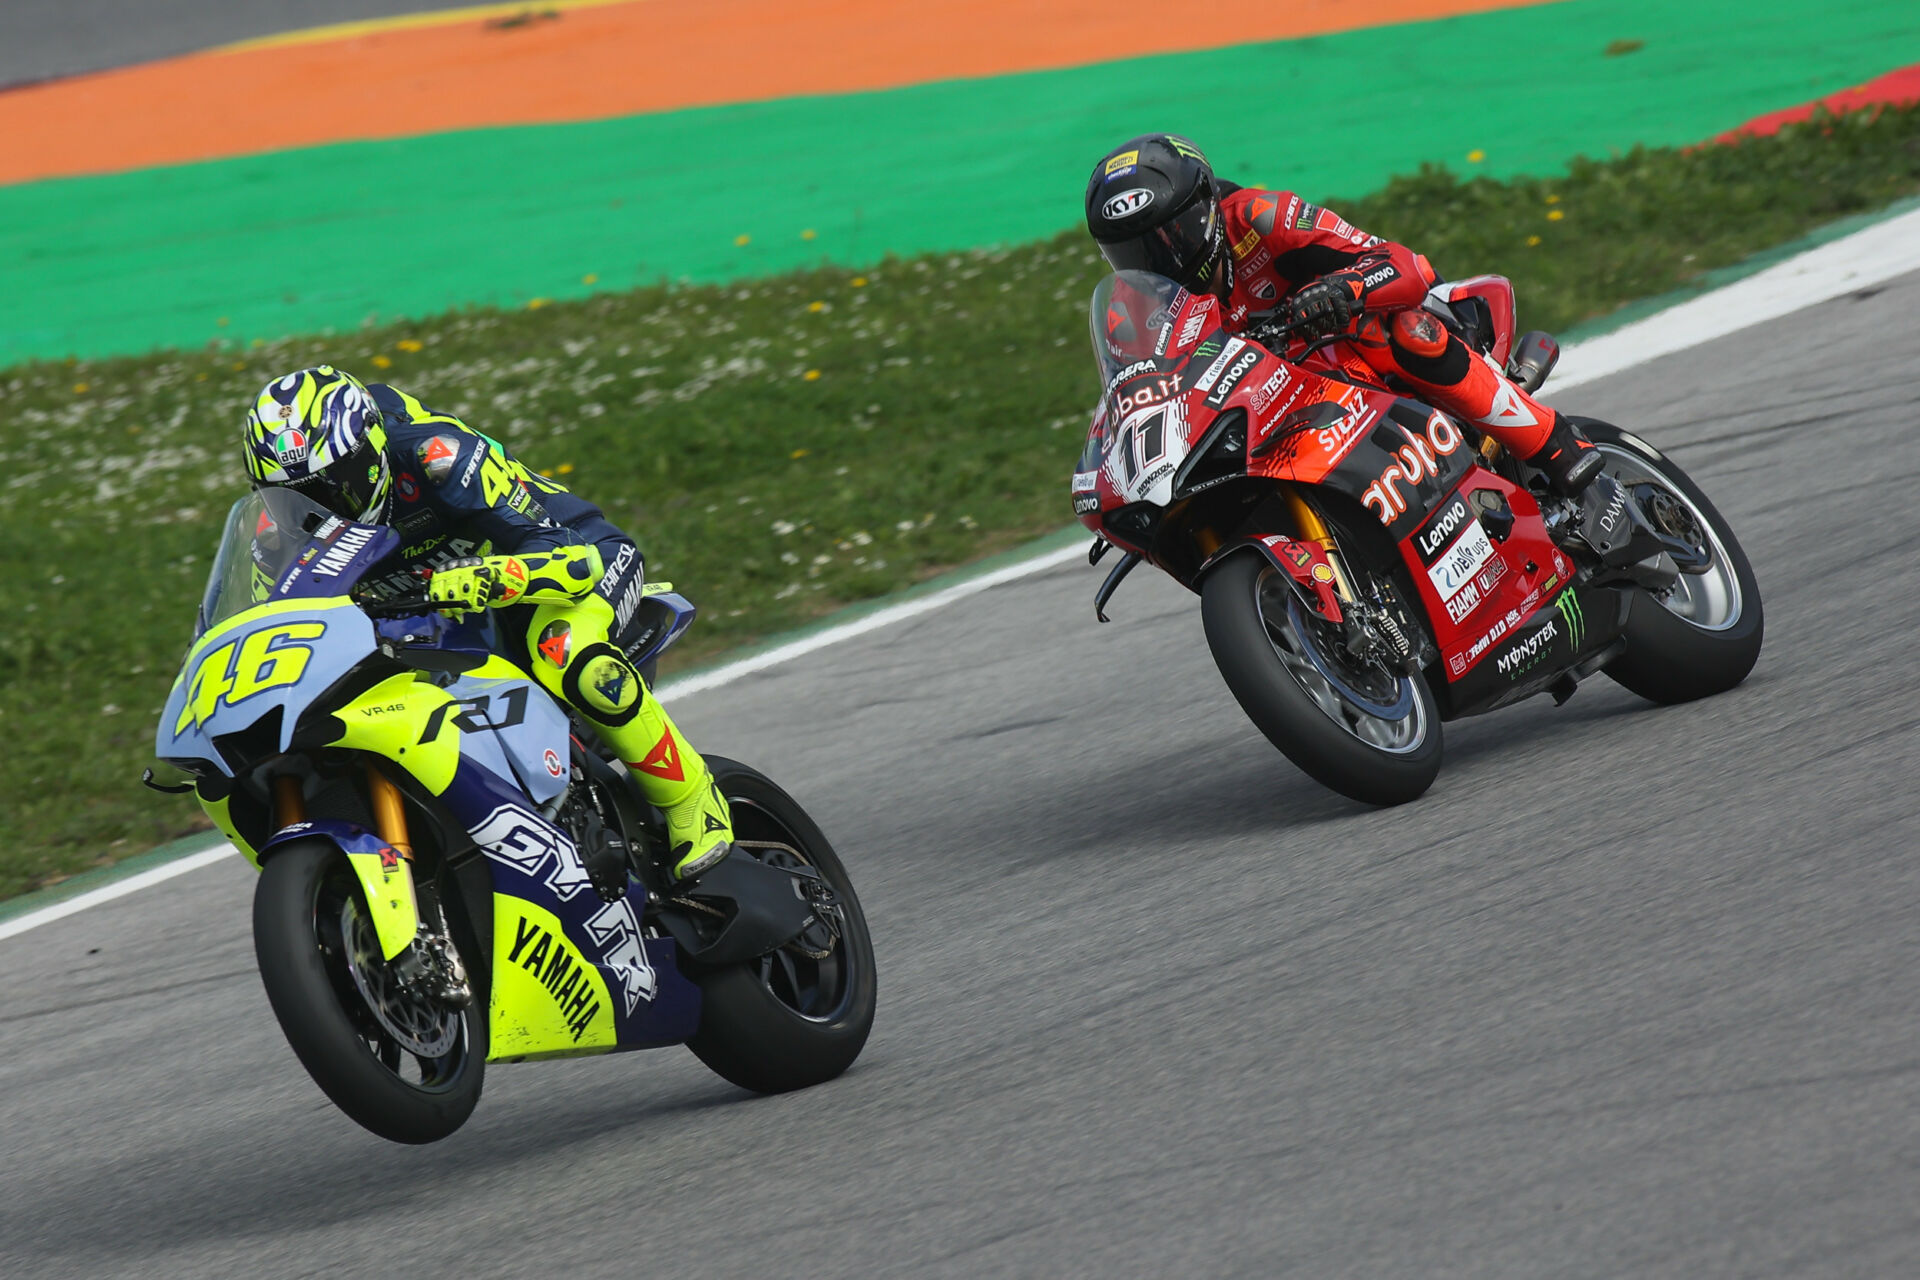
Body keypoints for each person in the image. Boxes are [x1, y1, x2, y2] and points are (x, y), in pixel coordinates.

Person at [240, 365, 733, 883]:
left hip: (573, 562)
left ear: (370, 456)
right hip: (443, 615)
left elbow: (573, 559)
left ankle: (693, 800)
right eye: (292, 498)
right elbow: (273, 621)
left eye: (331, 488)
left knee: (566, 649)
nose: (317, 513)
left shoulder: (437, 457)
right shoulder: (278, 535)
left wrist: (491, 574)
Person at [1083, 133, 1603, 496]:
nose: (1160, 262)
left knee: (1399, 329)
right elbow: (1140, 390)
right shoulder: (1134, 310)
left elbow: (1406, 267)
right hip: (1288, 408)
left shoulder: (1264, 218)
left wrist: (1339, 291)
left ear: (1205, 209)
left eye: (1171, 238)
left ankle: (1556, 445)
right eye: (1134, 254)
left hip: (1372, 344)